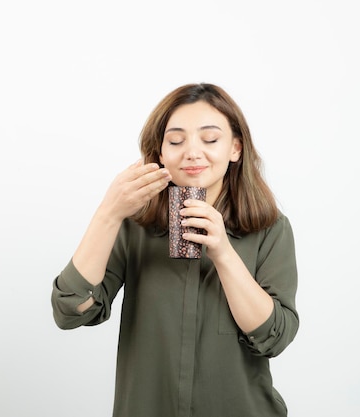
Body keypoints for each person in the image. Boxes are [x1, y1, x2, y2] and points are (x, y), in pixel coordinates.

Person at [51, 83, 299, 417]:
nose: (192, 152)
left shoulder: (269, 229)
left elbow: (275, 337)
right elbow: (71, 310)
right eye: (176, 141)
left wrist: (224, 252)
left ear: (235, 148)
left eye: (210, 139)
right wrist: (109, 214)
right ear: (161, 153)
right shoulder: (135, 225)